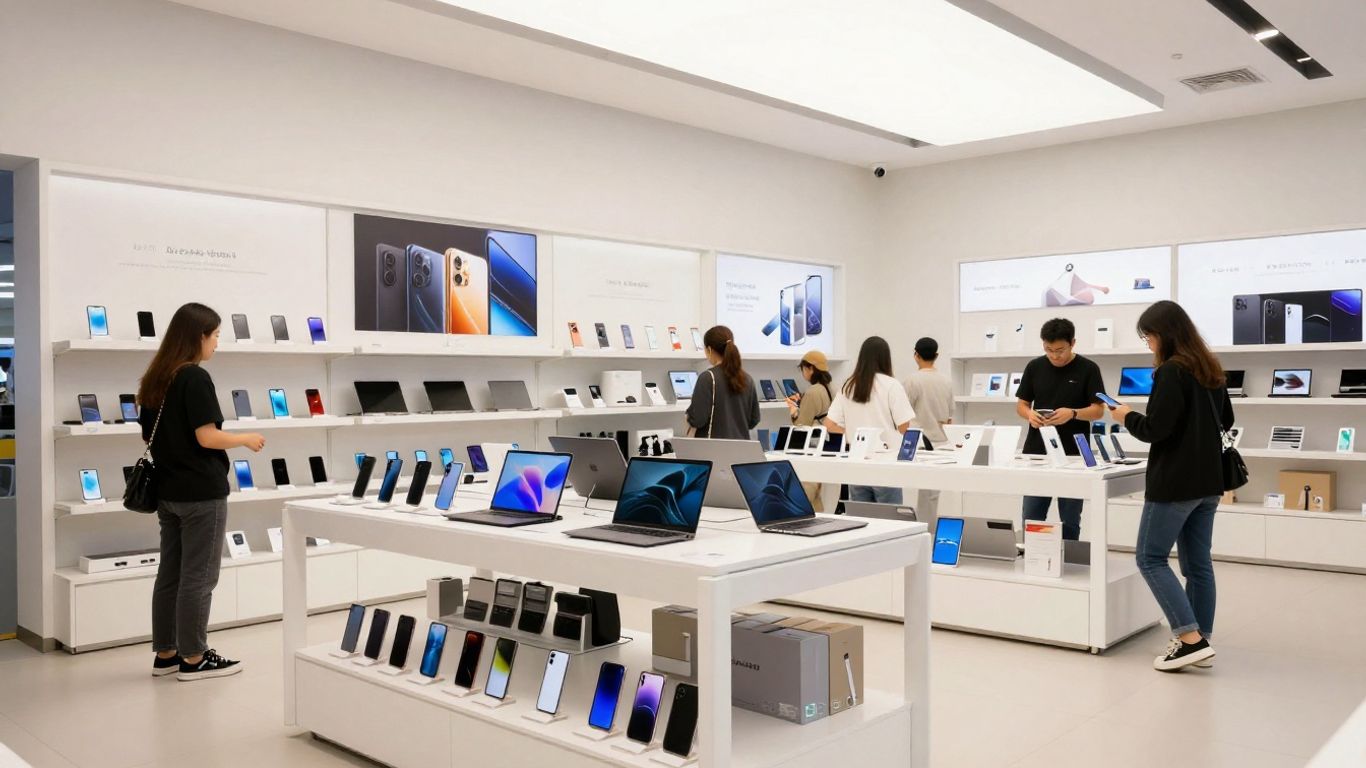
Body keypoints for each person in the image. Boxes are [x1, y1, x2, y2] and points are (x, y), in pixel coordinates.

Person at [138, 303, 265, 681]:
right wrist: (245, 440)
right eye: (215, 336)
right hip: (201, 494)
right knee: (199, 577)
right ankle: (194, 657)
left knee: (171, 574)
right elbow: (206, 436)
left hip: (168, 492)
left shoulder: (156, 377)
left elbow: (149, 435)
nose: (216, 344)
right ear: (199, 337)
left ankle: (166, 652)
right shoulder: (194, 378)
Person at [1110, 301, 1231, 672]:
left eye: (1148, 336)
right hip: (1209, 481)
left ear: (1164, 334)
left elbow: (1155, 430)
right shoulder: (1209, 368)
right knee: (1198, 565)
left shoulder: (1171, 372)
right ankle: (1200, 640)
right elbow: (1227, 418)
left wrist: (1125, 415)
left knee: (1150, 557)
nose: (1147, 343)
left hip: (1175, 483)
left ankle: (1190, 639)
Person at [1014, 318, 1106, 541]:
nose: (1055, 356)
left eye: (1060, 350)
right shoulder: (1035, 367)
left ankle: (1069, 562)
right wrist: (1030, 415)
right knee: (1032, 514)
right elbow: (1021, 404)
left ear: (1073, 343)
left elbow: (1098, 410)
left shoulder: (1089, 368)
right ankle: (1032, 560)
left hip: (1074, 454)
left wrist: (1073, 413)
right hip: (1037, 451)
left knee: (1070, 518)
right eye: (1048, 350)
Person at [824, 336, 914, 504]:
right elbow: (904, 427)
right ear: (886, 358)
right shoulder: (892, 385)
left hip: (857, 460)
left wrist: (854, 434)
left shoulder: (848, 386)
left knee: (862, 521)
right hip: (886, 463)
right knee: (889, 521)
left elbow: (829, 424)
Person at [903, 337, 954, 518]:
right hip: (941, 444)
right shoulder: (946, 381)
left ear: (916, 355)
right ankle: (929, 536)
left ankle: (921, 536)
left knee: (916, 495)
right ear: (936, 355)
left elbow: (902, 415)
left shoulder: (912, 381)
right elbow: (949, 418)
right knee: (931, 497)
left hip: (918, 444)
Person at [685, 325, 760, 440]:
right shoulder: (747, 379)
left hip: (713, 451)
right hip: (742, 451)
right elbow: (754, 420)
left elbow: (698, 420)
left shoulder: (707, 378)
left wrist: (688, 416)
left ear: (709, 350)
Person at [787, 349, 834, 511]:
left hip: (812, 447)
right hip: (830, 444)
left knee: (808, 491)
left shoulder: (813, 392)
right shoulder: (831, 388)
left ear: (811, 369)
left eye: (803, 369)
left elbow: (802, 425)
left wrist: (793, 412)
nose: (803, 373)